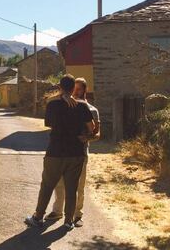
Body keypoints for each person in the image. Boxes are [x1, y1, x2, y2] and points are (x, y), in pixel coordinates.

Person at [25, 74, 94, 230]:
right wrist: (86, 136)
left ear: (60, 88)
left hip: (55, 152)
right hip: (76, 153)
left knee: (47, 186)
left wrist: (61, 98)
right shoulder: (82, 106)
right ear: (74, 88)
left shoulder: (52, 104)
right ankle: (68, 221)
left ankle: (37, 217)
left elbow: (49, 124)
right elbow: (92, 128)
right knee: (72, 188)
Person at [44, 77, 100, 228]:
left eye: (79, 89)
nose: (75, 92)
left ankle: (77, 214)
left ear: (84, 90)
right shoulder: (63, 106)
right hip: (62, 153)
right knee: (59, 184)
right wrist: (62, 96)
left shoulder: (91, 109)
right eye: (73, 89)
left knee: (78, 186)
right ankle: (57, 211)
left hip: (80, 153)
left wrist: (87, 137)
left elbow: (97, 133)